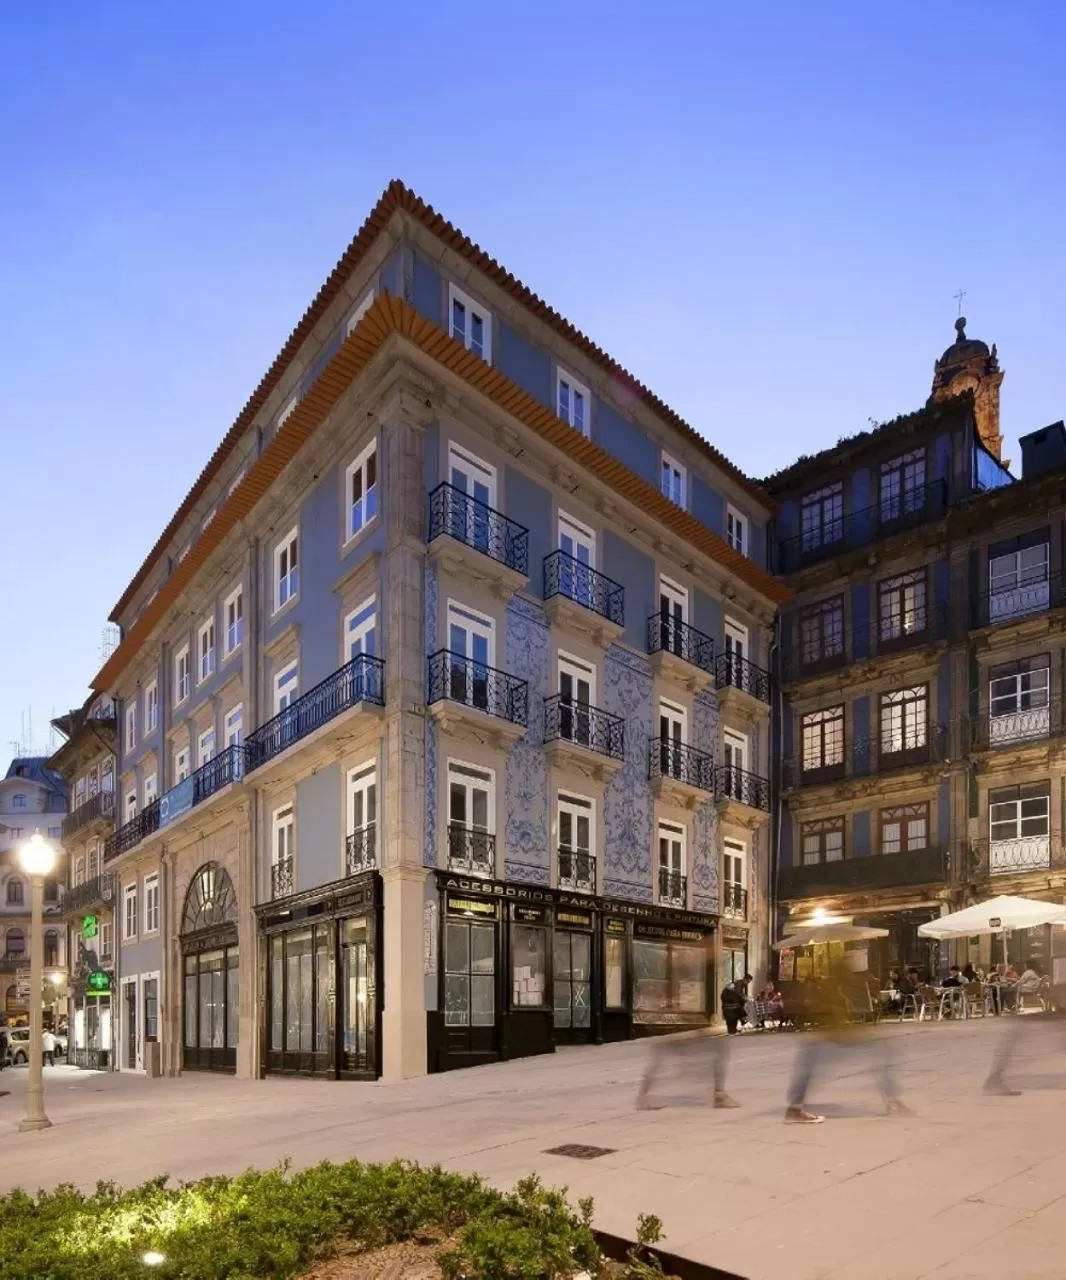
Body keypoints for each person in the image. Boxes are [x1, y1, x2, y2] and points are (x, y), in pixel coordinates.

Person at [784, 960, 912, 1124]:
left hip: (836, 1036)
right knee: (809, 1059)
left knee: (882, 1050)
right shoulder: (826, 990)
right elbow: (827, 1015)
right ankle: (794, 1108)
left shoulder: (837, 989)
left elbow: (841, 1016)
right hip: (829, 1036)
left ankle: (893, 1101)